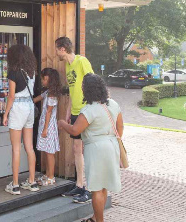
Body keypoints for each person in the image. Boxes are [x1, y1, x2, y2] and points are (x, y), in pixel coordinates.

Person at [58, 73, 123, 222]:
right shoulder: (113, 104)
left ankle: (99, 221)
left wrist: (62, 123)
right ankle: (95, 218)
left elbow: (75, 130)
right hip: (112, 146)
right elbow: (120, 128)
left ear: (87, 91)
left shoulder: (89, 110)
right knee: (104, 185)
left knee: (96, 188)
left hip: (96, 150)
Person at [55, 37, 94, 202]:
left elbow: (94, 84)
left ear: (63, 49)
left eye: (57, 49)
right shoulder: (67, 65)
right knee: (77, 150)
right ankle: (80, 185)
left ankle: (91, 188)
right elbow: (72, 92)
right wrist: (67, 114)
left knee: (90, 150)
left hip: (87, 112)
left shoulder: (81, 61)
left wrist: (92, 108)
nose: (56, 52)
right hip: (76, 113)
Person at [3, 44, 39, 195]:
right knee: (29, 147)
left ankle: (15, 184)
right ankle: (32, 181)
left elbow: (11, 96)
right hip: (29, 106)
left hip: (18, 108)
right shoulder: (31, 71)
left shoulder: (13, 72)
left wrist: (5, 114)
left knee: (16, 147)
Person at [33, 68, 62, 186]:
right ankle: (48, 174)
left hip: (48, 126)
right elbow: (37, 98)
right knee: (47, 150)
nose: (43, 81)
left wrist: (45, 129)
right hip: (45, 124)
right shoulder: (48, 92)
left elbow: (49, 113)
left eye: (44, 79)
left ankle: (51, 177)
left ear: (50, 80)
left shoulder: (52, 96)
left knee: (50, 152)